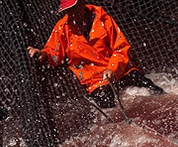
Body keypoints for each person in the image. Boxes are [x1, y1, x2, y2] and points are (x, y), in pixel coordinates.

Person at [27, 0, 164, 108]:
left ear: (82, 2)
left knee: (155, 93)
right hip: (96, 81)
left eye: (74, 7)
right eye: (68, 10)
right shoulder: (62, 27)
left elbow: (121, 47)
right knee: (109, 112)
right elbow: (53, 52)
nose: (72, 13)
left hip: (122, 70)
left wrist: (112, 69)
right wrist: (43, 54)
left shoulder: (102, 18)